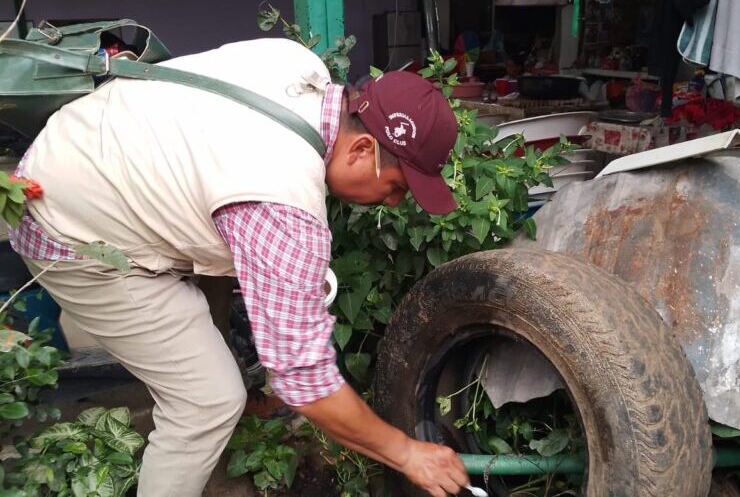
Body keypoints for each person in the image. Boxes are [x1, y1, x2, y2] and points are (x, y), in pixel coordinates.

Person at [8, 38, 469, 496]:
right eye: (396, 187)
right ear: (362, 150)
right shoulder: (280, 200)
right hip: (70, 231)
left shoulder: (296, 64)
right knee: (207, 401)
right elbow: (304, 381)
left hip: (80, 150)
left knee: (211, 327)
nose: (392, 202)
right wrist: (407, 453)